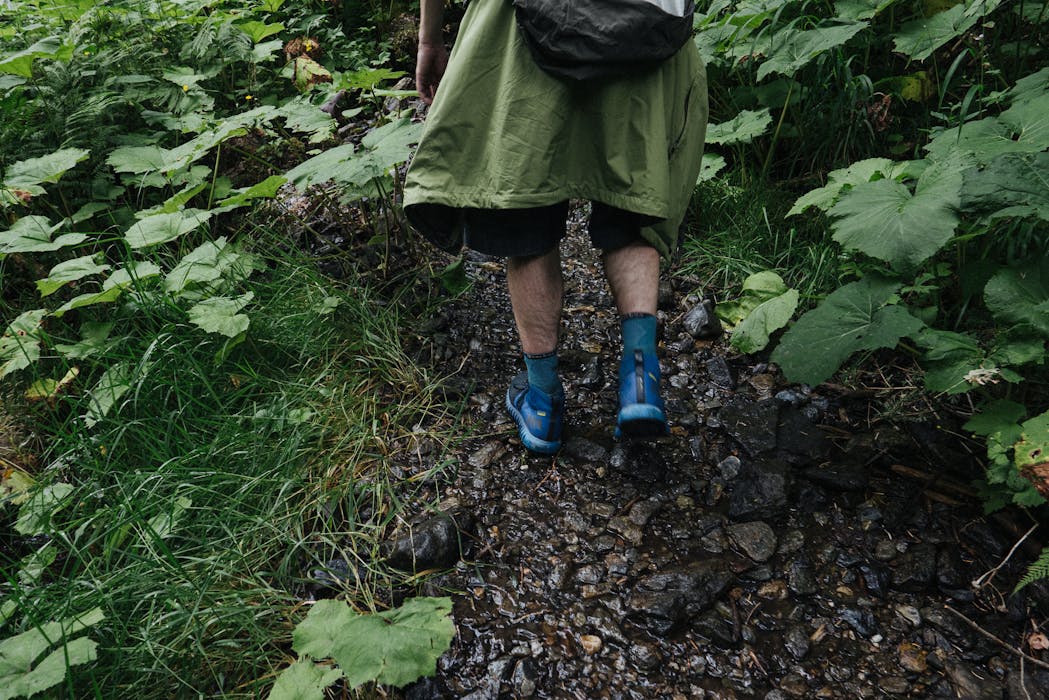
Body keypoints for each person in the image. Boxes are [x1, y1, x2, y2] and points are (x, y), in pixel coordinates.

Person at [403, 0, 708, 455]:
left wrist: (430, 38)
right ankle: (640, 382)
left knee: (526, 207)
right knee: (633, 205)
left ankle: (542, 401)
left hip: (524, 26)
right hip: (646, 26)